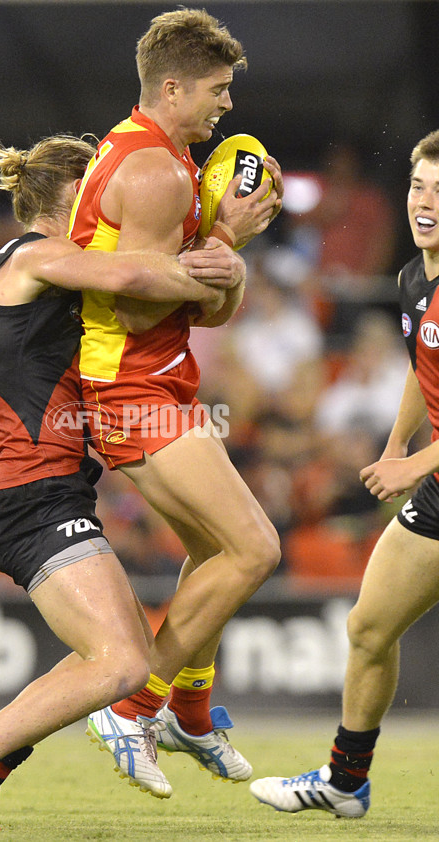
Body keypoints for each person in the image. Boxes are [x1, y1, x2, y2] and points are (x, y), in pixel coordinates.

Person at [0, 134, 246, 830]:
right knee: (121, 665)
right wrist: (218, 247)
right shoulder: (34, 256)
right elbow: (132, 278)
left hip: (48, 495)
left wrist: (221, 265)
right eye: (99, 192)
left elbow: (169, 302)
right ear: (71, 198)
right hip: (28, 501)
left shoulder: (60, 268)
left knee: (120, 660)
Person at [67, 7, 284, 799]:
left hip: (159, 380)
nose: (226, 105)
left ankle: (189, 714)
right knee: (256, 550)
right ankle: (133, 710)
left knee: (212, 552)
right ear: (173, 85)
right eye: (217, 90)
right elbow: (134, 307)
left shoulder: (165, 160)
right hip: (130, 386)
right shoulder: (157, 174)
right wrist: (225, 240)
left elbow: (205, 308)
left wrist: (229, 253)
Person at [249, 128, 439, 818]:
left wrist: (414, 464)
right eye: (420, 184)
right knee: (368, 629)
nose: (427, 200)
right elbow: (427, 367)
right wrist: (396, 446)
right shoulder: (415, 276)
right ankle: (345, 781)